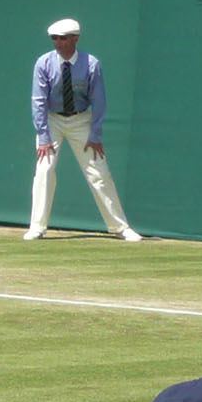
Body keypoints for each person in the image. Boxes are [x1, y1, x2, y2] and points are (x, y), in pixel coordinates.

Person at [27, 18, 141, 242]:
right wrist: (43, 136)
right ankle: (37, 227)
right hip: (52, 120)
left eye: (63, 38)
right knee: (44, 170)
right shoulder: (43, 63)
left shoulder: (91, 64)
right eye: (55, 39)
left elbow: (99, 101)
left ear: (75, 39)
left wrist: (95, 134)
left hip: (81, 120)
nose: (58, 43)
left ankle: (119, 227)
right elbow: (38, 100)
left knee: (98, 172)